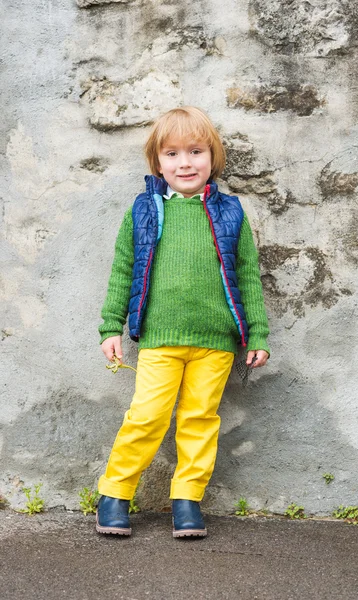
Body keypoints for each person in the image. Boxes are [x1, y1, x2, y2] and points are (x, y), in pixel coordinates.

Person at [96, 106, 270, 538]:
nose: (185, 163)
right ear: (158, 162)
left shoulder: (230, 212)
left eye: (196, 151)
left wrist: (258, 333)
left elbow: (247, 274)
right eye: (172, 154)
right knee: (148, 416)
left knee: (199, 419)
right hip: (159, 338)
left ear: (213, 157)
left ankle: (187, 499)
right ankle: (115, 493)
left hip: (216, 342)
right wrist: (110, 328)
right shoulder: (144, 210)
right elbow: (124, 270)